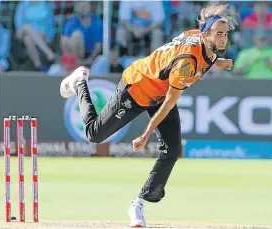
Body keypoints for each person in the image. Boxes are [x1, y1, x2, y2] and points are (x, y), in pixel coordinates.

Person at [60, 4, 236, 228]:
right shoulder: (186, 63)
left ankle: (139, 203)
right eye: (218, 34)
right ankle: (80, 82)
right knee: (94, 134)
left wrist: (216, 62)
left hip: (159, 90)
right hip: (137, 87)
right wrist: (145, 135)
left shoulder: (197, 38)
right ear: (206, 33)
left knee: (173, 150)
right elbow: (171, 100)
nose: (223, 39)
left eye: (225, 34)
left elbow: (202, 55)